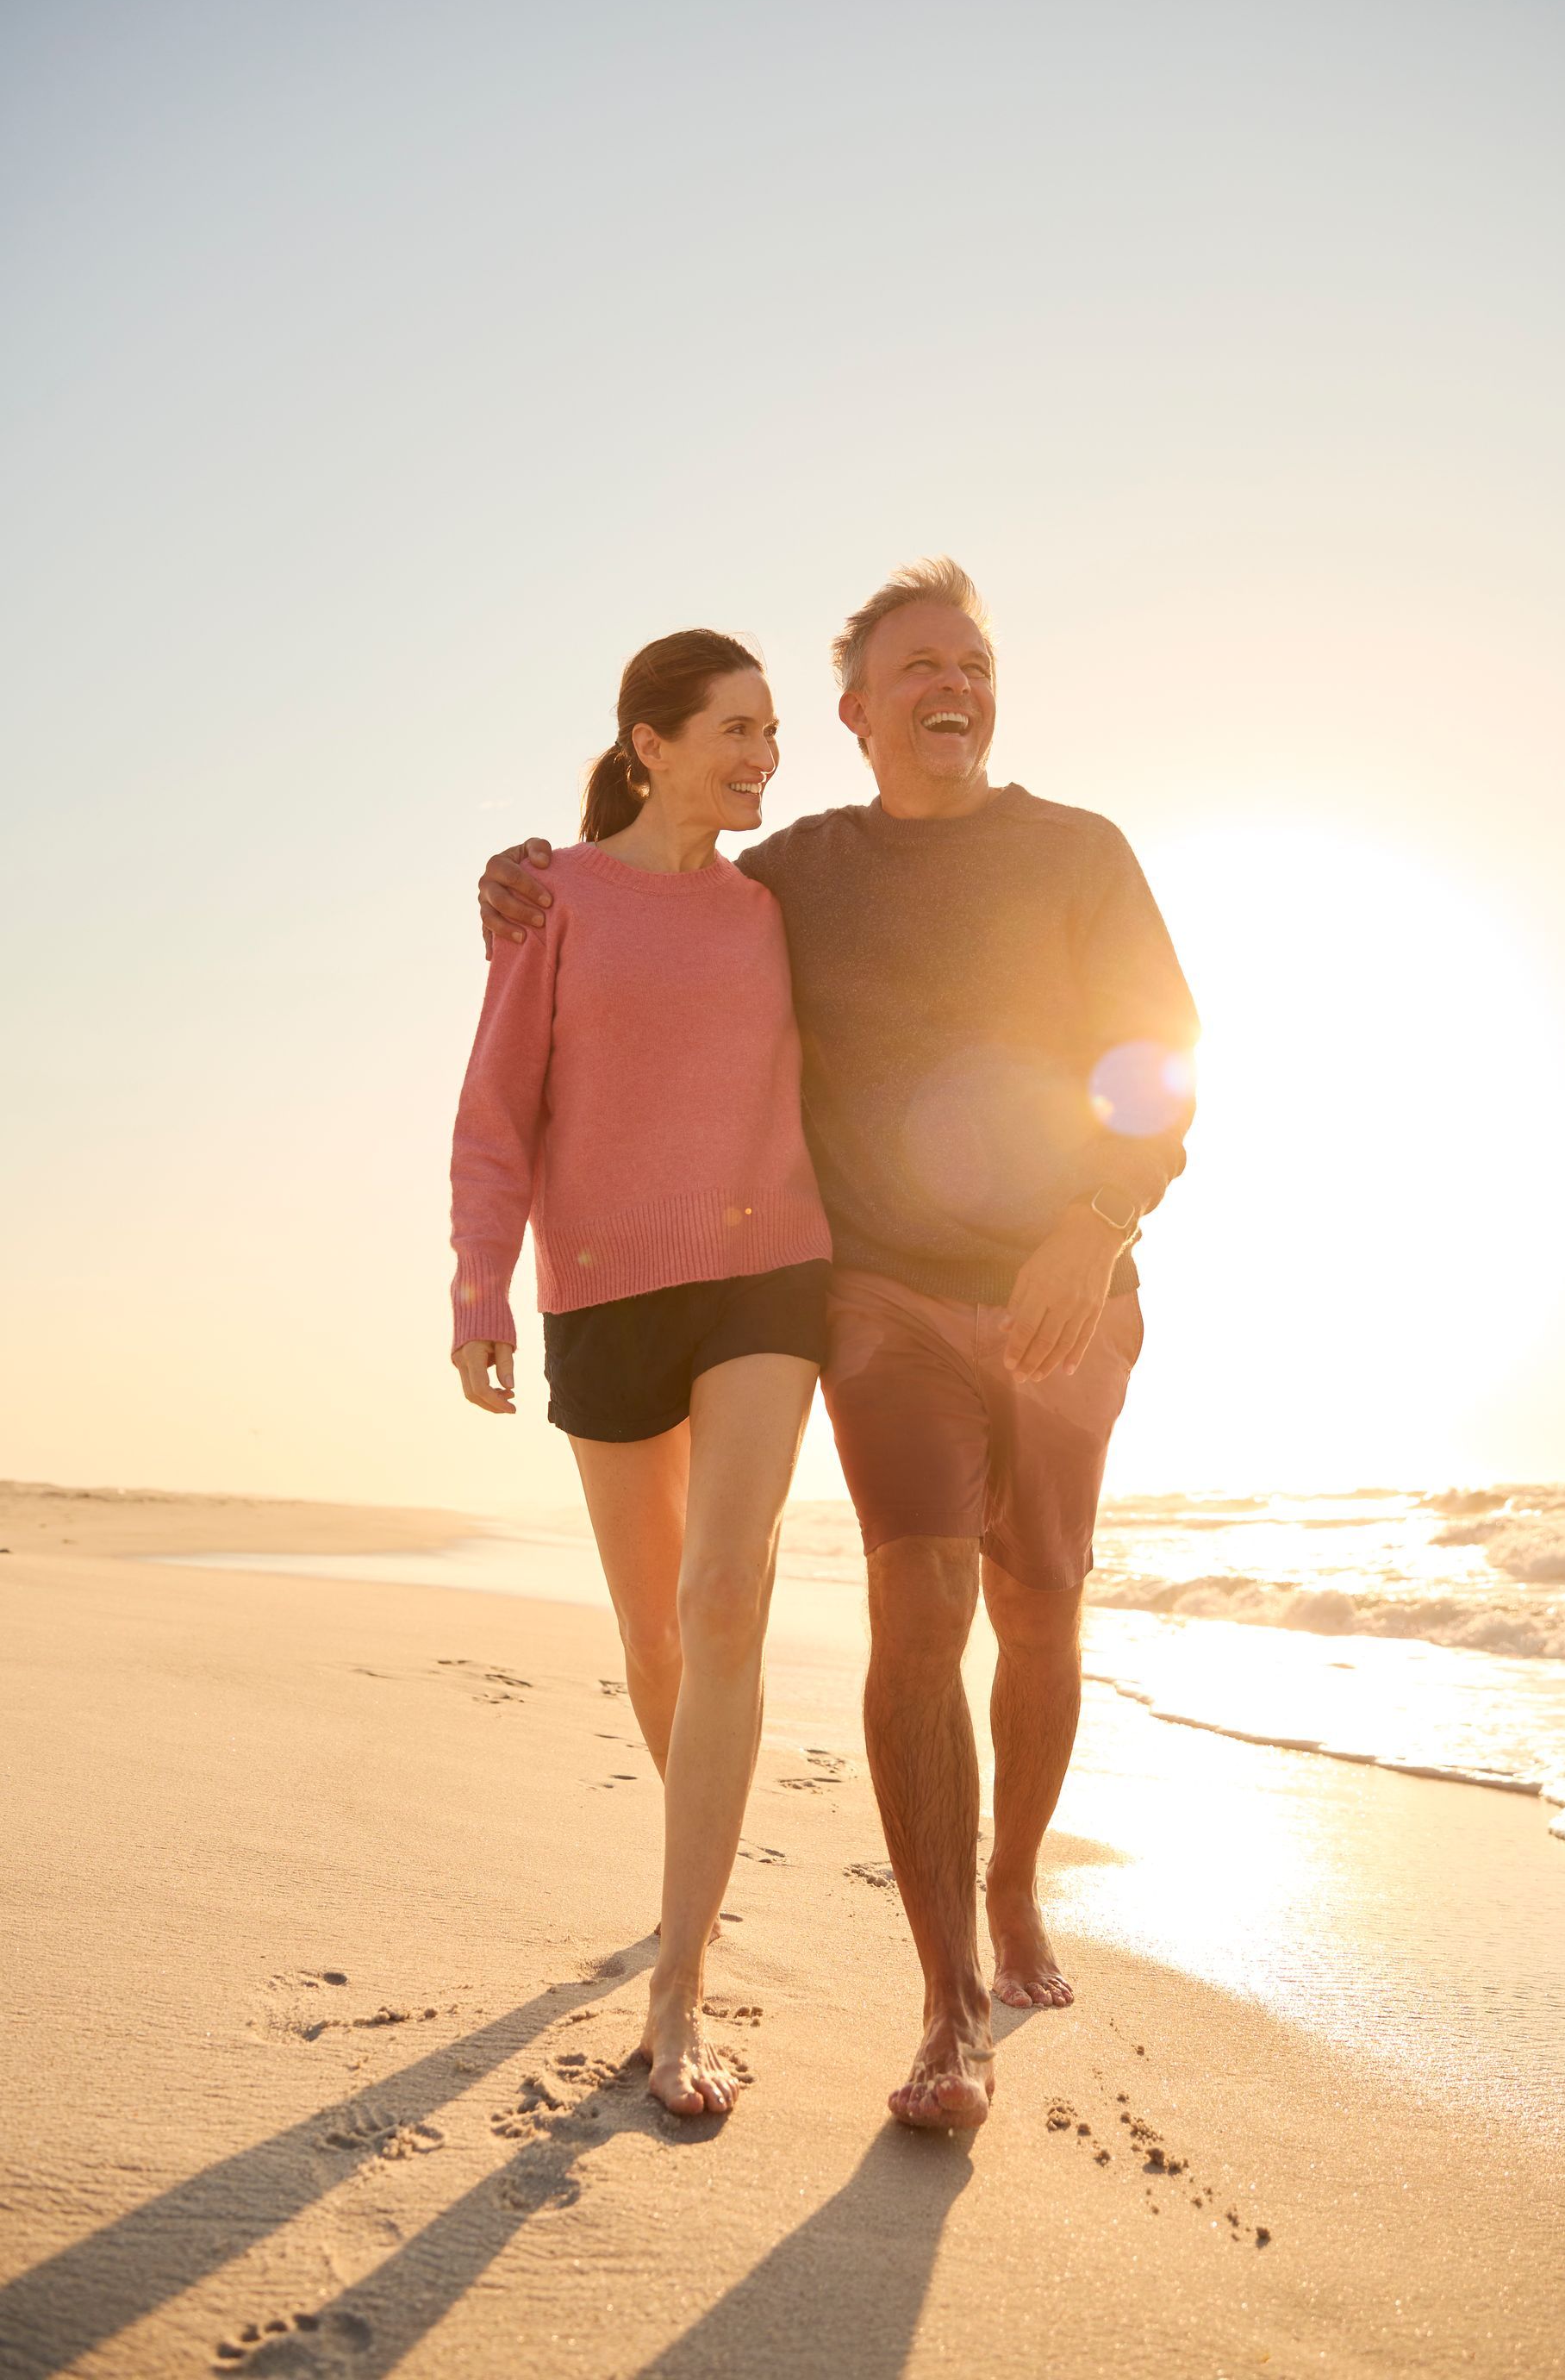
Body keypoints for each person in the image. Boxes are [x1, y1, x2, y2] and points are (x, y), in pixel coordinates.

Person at [478, 563, 1198, 2131]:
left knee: (1045, 1594)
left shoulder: (1079, 852)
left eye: (978, 660)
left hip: (1072, 1276)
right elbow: (648, 878)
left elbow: (1161, 1062)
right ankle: (950, 2008)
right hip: (872, 1294)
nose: (958, 683)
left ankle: (1014, 1894)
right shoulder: (796, 868)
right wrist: (522, 875)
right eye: (921, 665)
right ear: (860, 713)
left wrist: (1095, 1220)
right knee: (922, 1589)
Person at [451, 629, 831, 2119]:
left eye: (774, 731)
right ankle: (694, 1879)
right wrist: (480, 1283)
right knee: (657, 1635)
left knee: (726, 1595)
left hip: (770, 1269)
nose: (762, 757)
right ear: (648, 741)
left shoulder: (781, 903)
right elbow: (497, 1110)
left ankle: (680, 1990)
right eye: (735, 729)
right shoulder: (554, 899)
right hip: (606, 1289)